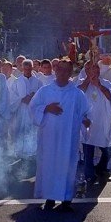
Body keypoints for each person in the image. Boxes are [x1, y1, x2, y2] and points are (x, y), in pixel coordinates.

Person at [30, 58, 91, 212]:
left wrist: (85, 120)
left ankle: (66, 199)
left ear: (70, 73)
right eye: (60, 69)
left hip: (68, 139)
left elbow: (86, 112)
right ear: (55, 70)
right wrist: (46, 108)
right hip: (49, 138)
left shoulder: (77, 94)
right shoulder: (45, 91)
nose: (63, 73)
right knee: (49, 165)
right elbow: (32, 108)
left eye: (66, 70)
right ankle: (50, 198)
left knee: (67, 166)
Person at [78, 61, 111, 183]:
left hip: (102, 121)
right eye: (91, 69)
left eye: (97, 69)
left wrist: (98, 85)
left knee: (107, 149)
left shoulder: (105, 83)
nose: (95, 71)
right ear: (86, 71)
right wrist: (88, 81)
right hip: (87, 121)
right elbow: (77, 93)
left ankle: (101, 168)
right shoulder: (81, 82)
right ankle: (89, 175)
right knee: (88, 150)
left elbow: (110, 96)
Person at [11, 60, 42, 159]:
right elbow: (12, 96)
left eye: (29, 69)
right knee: (21, 129)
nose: (27, 71)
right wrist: (21, 99)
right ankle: (20, 151)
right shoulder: (17, 81)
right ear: (22, 69)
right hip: (21, 110)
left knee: (32, 131)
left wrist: (33, 99)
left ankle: (32, 152)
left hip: (33, 111)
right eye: (25, 69)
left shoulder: (38, 82)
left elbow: (42, 96)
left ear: (32, 68)